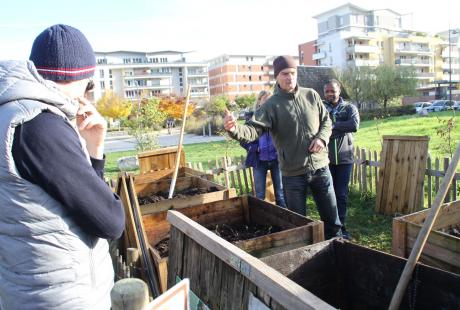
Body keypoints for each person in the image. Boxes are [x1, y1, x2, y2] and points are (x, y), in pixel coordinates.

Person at [0, 24, 125, 309]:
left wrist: (94, 150)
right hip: (60, 297)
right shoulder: (39, 126)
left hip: (25, 287)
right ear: (82, 79)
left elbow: (77, 201)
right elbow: (109, 220)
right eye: (90, 84)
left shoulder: (9, 115)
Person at [224, 55, 342, 239]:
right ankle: (306, 259)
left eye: (293, 73)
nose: (290, 77)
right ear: (277, 77)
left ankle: (338, 250)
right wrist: (234, 129)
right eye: (285, 73)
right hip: (293, 175)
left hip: (321, 168)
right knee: (299, 225)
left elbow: (326, 121)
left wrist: (321, 139)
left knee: (332, 221)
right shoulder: (271, 105)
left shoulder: (311, 95)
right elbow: (253, 130)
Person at [323, 79, 360, 239]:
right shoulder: (321, 108)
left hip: (345, 158)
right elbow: (318, 128)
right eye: (327, 92)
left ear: (339, 91)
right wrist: (339, 127)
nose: (331, 94)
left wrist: (333, 127)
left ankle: (342, 227)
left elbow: (354, 125)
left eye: (333, 91)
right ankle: (330, 227)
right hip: (325, 159)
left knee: (342, 194)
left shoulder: (349, 107)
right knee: (327, 195)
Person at [240, 90, 286, 207]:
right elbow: (243, 139)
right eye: (265, 99)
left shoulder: (278, 116)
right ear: (259, 101)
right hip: (259, 161)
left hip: (277, 160)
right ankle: (261, 221)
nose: (268, 102)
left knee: (280, 194)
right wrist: (255, 148)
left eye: (270, 100)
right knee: (260, 195)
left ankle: (285, 220)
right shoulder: (251, 118)